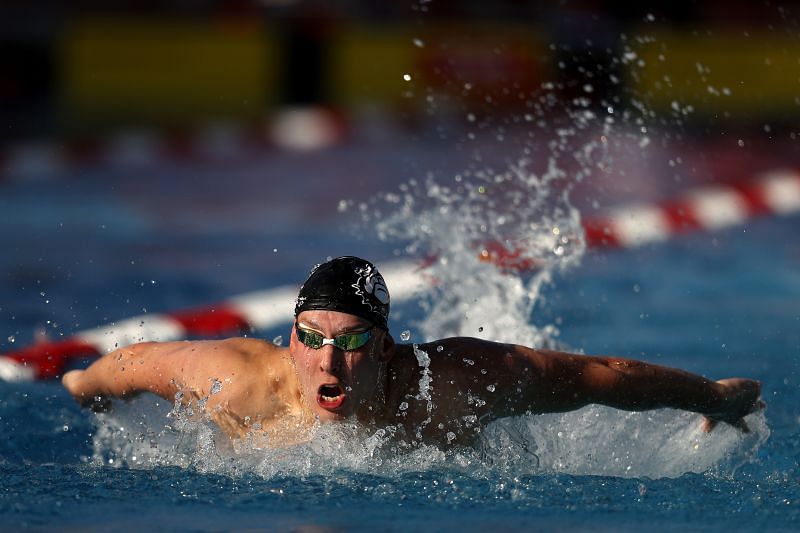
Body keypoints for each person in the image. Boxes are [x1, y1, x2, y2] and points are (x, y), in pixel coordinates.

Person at [62, 256, 763, 446]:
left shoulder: (450, 387)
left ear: (389, 346)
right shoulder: (238, 384)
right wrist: (81, 387)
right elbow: (131, 363)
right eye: (311, 340)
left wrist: (709, 396)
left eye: (351, 342)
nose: (327, 364)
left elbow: (595, 375)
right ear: (290, 340)